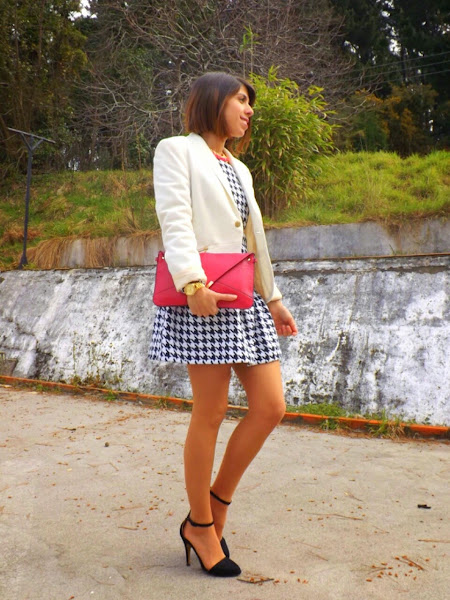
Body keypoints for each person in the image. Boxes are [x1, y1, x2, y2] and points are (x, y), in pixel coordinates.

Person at [149, 71, 298, 577]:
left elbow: (254, 239)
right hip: (205, 297)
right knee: (210, 412)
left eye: (250, 102)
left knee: (270, 407)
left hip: (245, 299)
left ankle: (215, 505)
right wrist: (192, 284)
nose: (249, 109)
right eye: (241, 99)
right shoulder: (176, 150)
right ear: (213, 101)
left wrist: (273, 298)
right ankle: (201, 526)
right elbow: (175, 220)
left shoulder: (239, 167)